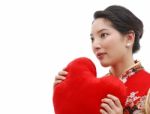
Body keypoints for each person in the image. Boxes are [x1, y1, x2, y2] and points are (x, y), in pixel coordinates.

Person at [53, 5, 150, 114]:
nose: (95, 45)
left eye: (103, 35)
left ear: (129, 38)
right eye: (92, 39)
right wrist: (63, 95)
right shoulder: (92, 89)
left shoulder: (148, 87)